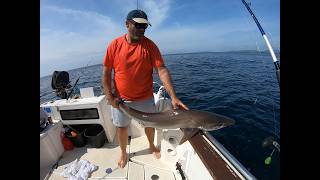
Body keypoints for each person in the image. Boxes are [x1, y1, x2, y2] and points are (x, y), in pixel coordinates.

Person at [102, 9, 189, 168]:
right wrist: (109, 96)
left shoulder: (150, 46)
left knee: (150, 124)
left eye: (144, 26)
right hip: (121, 99)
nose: (141, 29)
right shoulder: (114, 45)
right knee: (122, 128)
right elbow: (106, 72)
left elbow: (161, 70)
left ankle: (152, 145)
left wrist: (174, 97)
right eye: (137, 25)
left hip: (145, 97)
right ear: (127, 24)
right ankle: (123, 152)